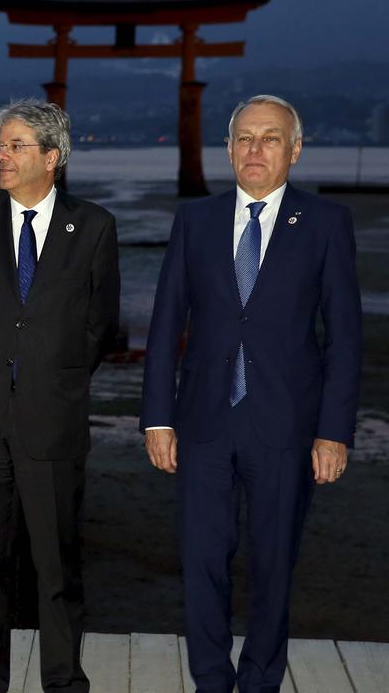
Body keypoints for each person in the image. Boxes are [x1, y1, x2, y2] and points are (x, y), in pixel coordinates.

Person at [141, 95, 360, 693]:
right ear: (229, 147)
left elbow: (344, 336)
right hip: (203, 422)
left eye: (270, 137)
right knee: (202, 562)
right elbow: (165, 327)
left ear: (295, 149)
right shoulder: (196, 220)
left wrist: (334, 430)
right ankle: (211, 678)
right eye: (244, 137)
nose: (255, 149)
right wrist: (157, 418)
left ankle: (261, 679)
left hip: (288, 425)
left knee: (273, 564)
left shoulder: (325, 223)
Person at [0, 100, 120, 693]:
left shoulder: (92, 227)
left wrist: (55, 375)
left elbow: (101, 325)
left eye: (15, 146)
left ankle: (63, 681)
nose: (2, 157)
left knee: (57, 565)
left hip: (52, 420)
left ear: (53, 157)